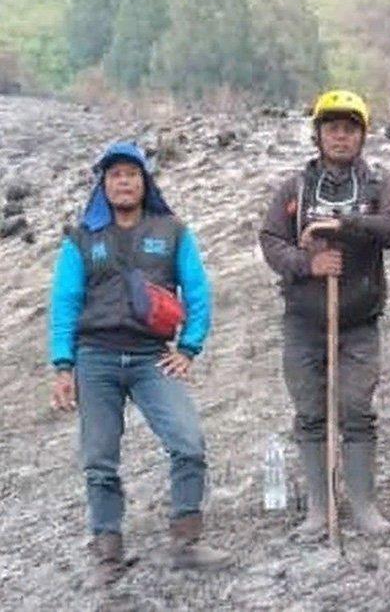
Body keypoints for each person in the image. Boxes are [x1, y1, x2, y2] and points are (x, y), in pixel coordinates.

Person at [48, 141, 230, 586]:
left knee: (188, 443)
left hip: (153, 358)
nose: (123, 182)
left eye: (132, 174)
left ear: (145, 180)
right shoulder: (81, 237)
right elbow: (64, 303)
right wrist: (62, 365)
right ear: (103, 184)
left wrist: (188, 348)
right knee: (99, 460)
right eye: (114, 176)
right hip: (96, 358)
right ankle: (107, 553)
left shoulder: (172, 231)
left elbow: (198, 292)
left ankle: (186, 540)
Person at [259, 90, 390, 537]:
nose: (340, 137)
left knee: (357, 409)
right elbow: (271, 240)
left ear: (362, 135)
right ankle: (319, 511)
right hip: (304, 321)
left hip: (360, 320)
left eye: (349, 129)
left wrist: (345, 227)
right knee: (309, 412)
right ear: (318, 134)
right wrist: (308, 264)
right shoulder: (295, 188)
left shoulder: (381, 184)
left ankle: (364, 507)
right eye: (332, 129)